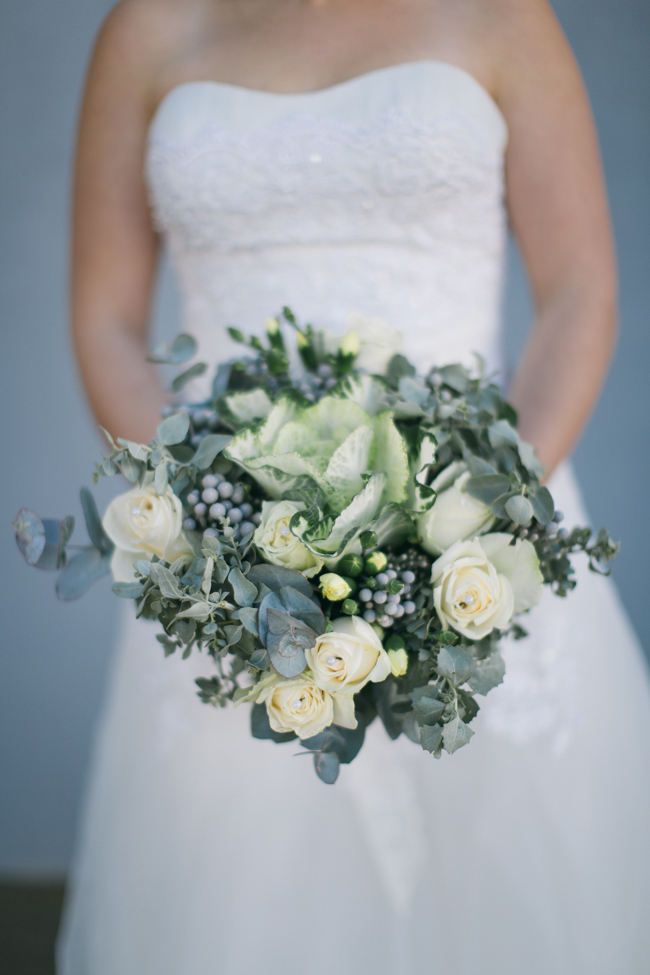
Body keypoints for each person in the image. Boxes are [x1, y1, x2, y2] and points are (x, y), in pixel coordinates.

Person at [58, 2, 650, 973]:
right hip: (232, 568)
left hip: (478, 536)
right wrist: (208, 527)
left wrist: (481, 519)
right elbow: (107, 319)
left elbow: (580, 289)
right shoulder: (145, 28)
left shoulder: (504, 15)